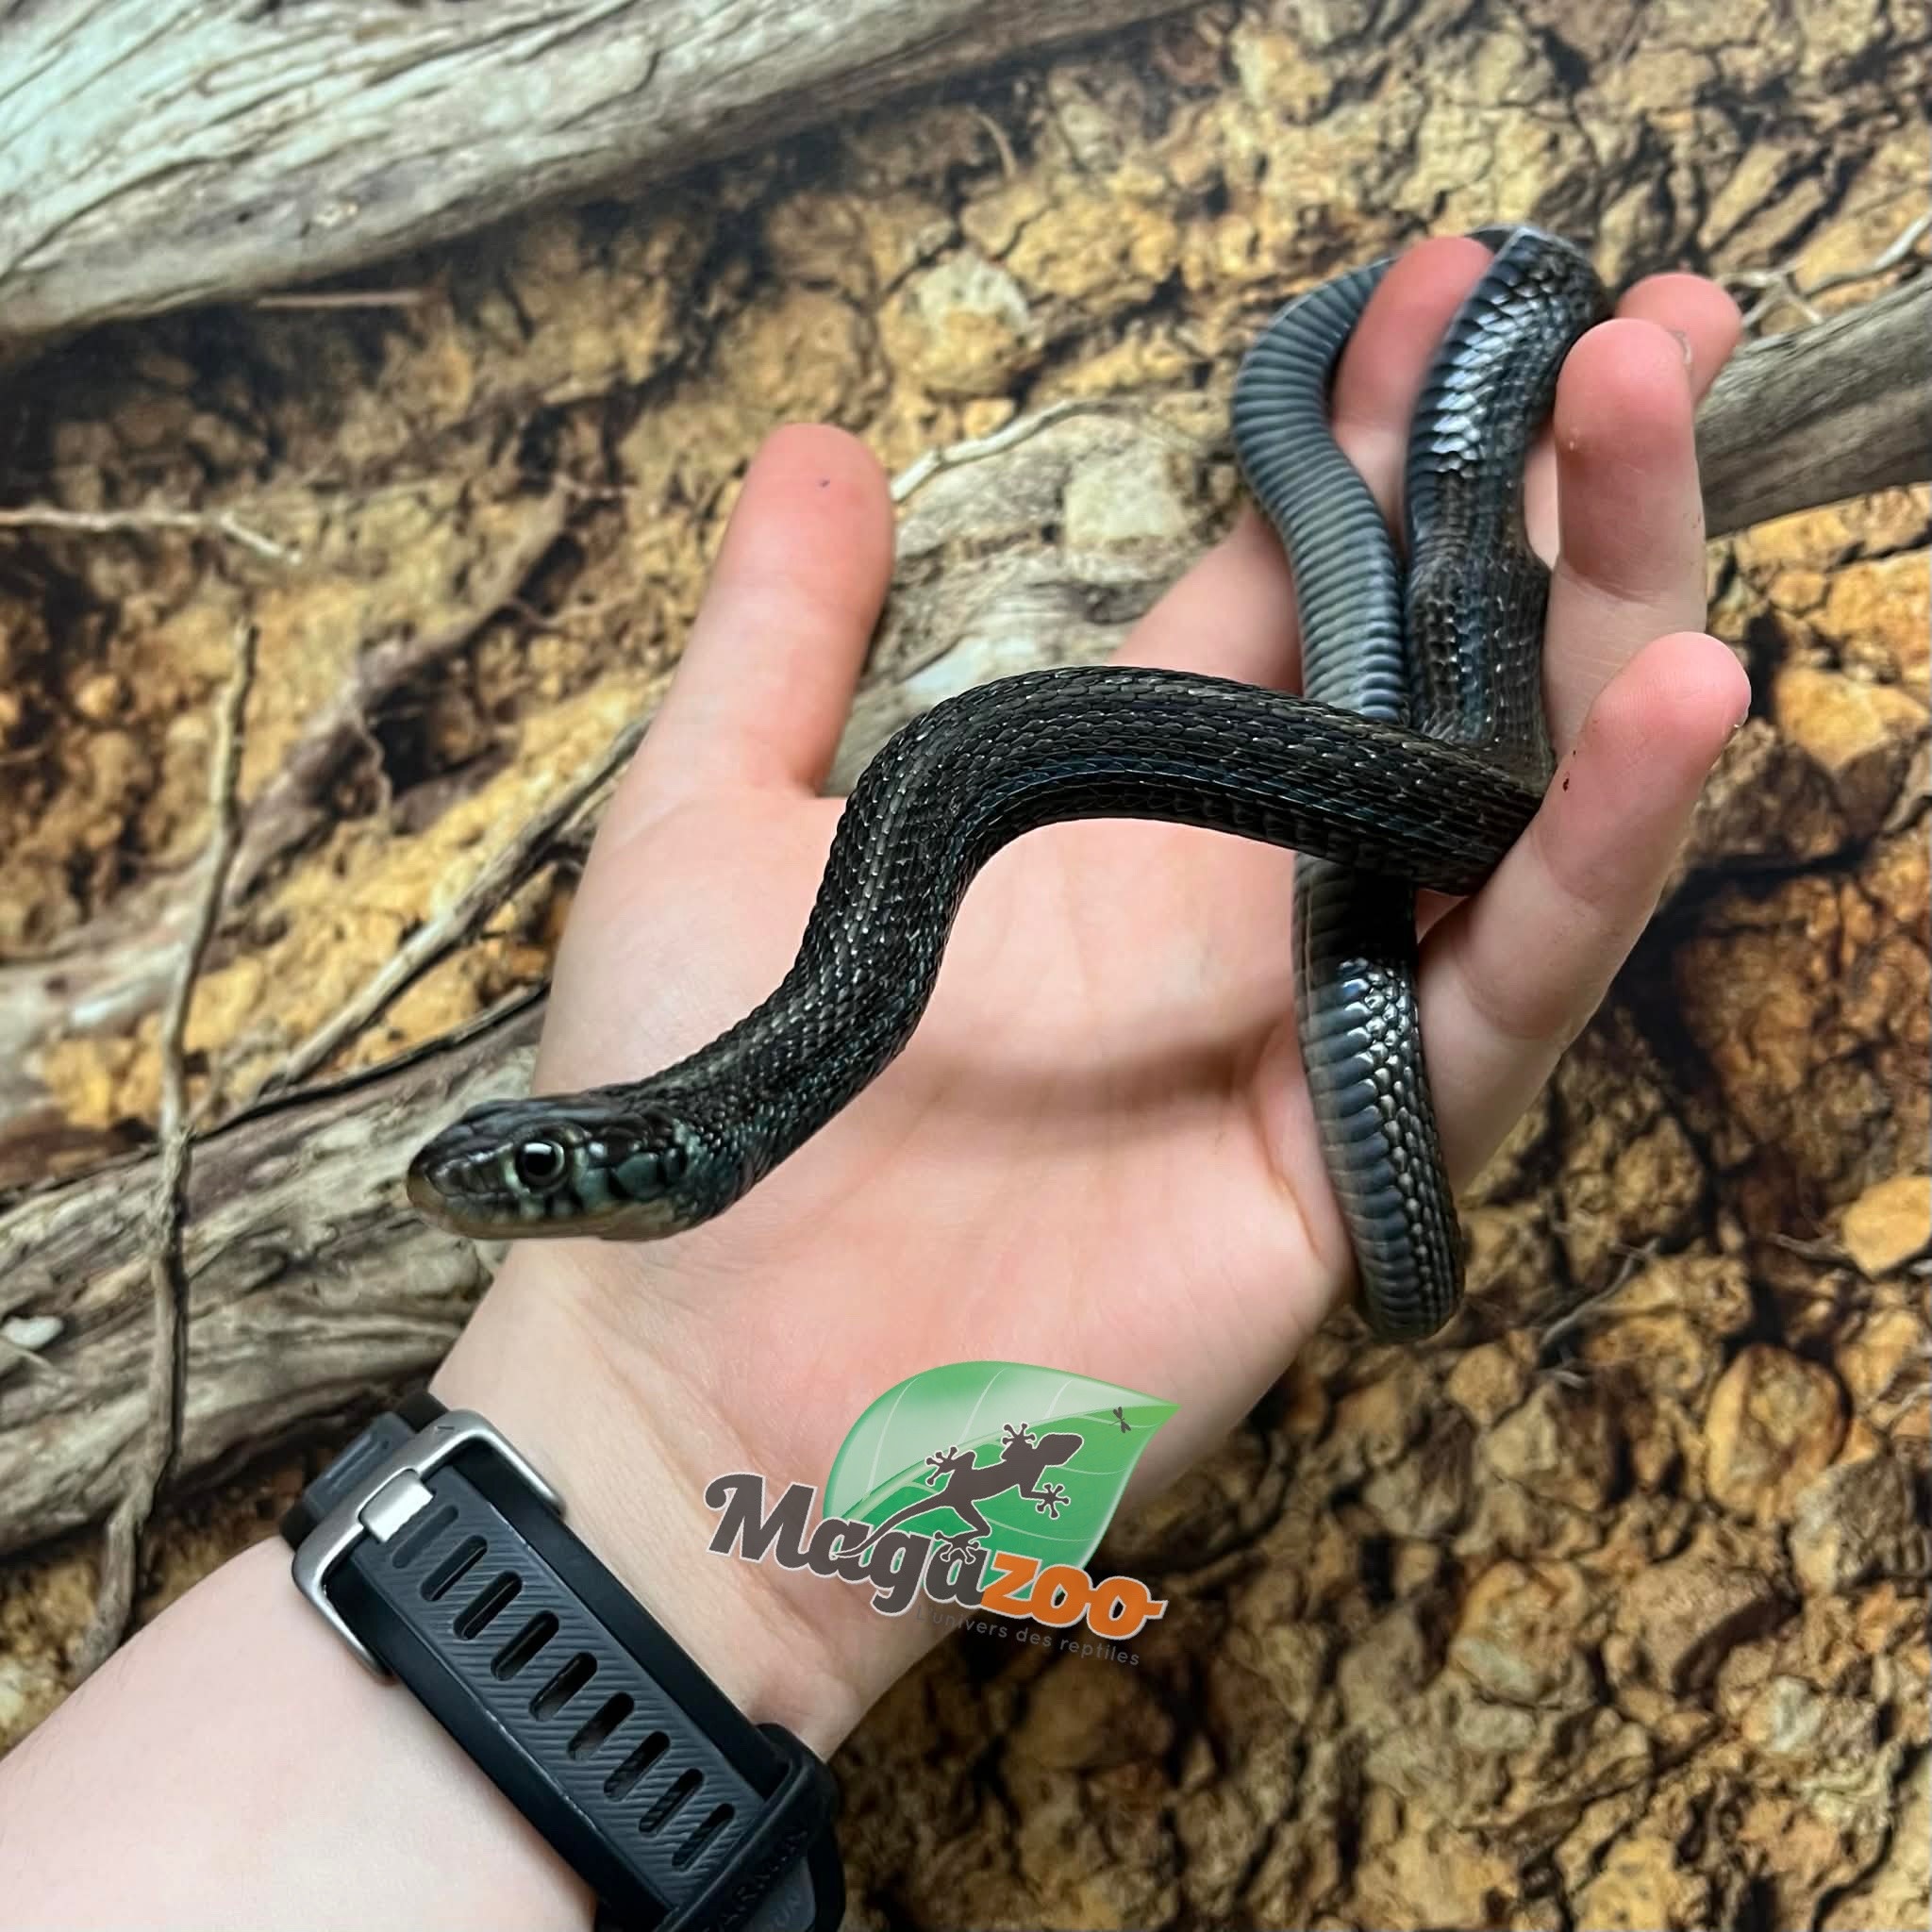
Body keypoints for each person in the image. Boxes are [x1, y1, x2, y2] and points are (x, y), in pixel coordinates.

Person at [0, 237, 1746, 1928]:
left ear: (662, 1147)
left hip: (1395, 690)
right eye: (531, 1180)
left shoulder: (822, 987)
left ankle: (1497, 337)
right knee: (1442, 661)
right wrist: (635, 1499)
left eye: (537, 1179)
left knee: (1484, 657)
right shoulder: (790, 1049)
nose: (501, 1202)